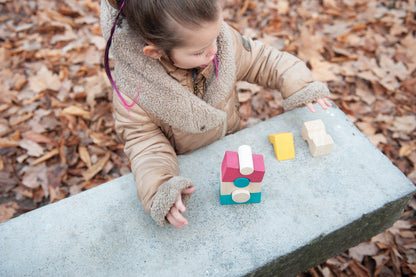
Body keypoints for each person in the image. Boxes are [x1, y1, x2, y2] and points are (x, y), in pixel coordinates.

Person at [100, 0, 332, 229]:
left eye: (215, 36)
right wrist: (161, 187)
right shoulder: (134, 92)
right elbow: (145, 144)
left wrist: (298, 82)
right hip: (186, 165)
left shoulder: (218, 41)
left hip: (228, 146)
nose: (214, 50)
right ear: (155, 52)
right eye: (200, 51)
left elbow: (262, 60)